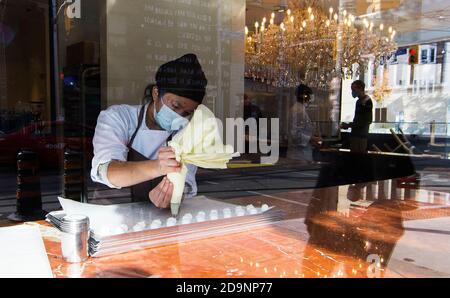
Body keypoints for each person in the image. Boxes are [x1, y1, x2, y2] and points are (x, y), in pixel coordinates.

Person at [91, 53, 208, 209]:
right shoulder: (119, 118)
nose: (179, 116)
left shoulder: (187, 134)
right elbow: (108, 171)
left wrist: (176, 193)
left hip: (156, 219)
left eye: (187, 113)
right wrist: (157, 167)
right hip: (110, 216)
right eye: (175, 106)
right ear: (156, 93)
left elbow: (187, 181)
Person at [286, 84, 322, 161]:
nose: (310, 100)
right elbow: (295, 135)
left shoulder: (299, 109)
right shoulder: (299, 110)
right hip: (299, 156)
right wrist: (312, 139)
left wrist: (311, 139)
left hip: (299, 154)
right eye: (310, 97)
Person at [341, 80, 373, 153]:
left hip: (360, 137)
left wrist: (349, 125)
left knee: (358, 159)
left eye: (354, 90)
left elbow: (366, 121)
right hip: (356, 136)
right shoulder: (359, 101)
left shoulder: (366, 101)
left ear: (360, 88)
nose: (352, 92)